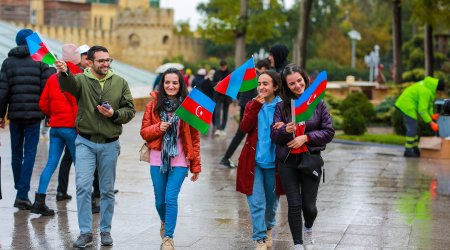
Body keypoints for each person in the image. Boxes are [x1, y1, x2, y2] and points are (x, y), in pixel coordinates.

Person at [55, 45, 136, 248]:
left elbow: (130, 110)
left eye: (108, 60)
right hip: (85, 142)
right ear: (90, 62)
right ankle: (85, 232)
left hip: (110, 143)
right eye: (101, 61)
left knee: (107, 190)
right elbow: (68, 86)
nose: (106, 64)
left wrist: (114, 115)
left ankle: (105, 230)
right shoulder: (81, 79)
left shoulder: (120, 82)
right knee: (83, 187)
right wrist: (64, 72)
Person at [270, 64, 334, 250]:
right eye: (292, 83)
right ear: (286, 86)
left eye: (299, 81)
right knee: (294, 204)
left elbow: (329, 131)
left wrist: (306, 137)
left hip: (310, 160)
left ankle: (308, 228)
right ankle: (298, 243)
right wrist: (284, 129)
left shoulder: (318, 103)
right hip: (287, 161)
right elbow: (274, 136)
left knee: (309, 207)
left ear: (305, 79)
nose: (297, 85)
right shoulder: (282, 107)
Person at [140, 68, 201, 250]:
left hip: (180, 159)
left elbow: (195, 138)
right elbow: (144, 132)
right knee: (160, 200)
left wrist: (196, 165)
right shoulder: (152, 105)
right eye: (167, 82)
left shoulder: (189, 107)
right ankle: (165, 222)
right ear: (162, 83)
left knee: (170, 198)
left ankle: (168, 238)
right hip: (158, 158)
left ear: (181, 84)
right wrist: (158, 127)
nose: (171, 86)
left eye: (175, 82)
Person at [0, 28, 55, 210]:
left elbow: (3, 92)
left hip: (15, 115)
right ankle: (22, 193)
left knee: (16, 153)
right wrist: (48, 115)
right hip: (34, 115)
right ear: (33, 42)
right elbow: (48, 91)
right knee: (30, 153)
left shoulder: (7, 63)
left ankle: (20, 189)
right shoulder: (40, 62)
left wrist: (1, 115)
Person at [31, 44, 82, 216]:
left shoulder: (53, 78)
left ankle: (39, 200)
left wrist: (54, 115)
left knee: (51, 163)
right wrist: (78, 125)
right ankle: (87, 203)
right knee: (80, 165)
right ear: (76, 59)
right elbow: (76, 103)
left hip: (56, 128)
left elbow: (43, 104)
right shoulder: (77, 75)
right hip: (71, 128)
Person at [237, 70, 283, 250]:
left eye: (266, 84)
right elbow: (244, 127)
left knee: (272, 203)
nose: (261, 87)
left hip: (276, 163)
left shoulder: (284, 106)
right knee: (256, 202)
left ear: (276, 87)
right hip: (253, 162)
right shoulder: (252, 104)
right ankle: (260, 239)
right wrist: (255, 107)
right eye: (259, 83)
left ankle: (269, 227)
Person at [220, 59, 271, 168]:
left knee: (242, 133)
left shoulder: (249, 74)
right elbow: (256, 93)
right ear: (263, 68)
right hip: (250, 107)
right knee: (243, 133)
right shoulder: (256, 77)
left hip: (245, 105)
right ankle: (227, 158)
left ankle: (228, 157)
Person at [395, 77, 445, 157]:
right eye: (440, 92)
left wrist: (432, 115)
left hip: (407, 103)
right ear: (437, 89)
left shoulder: (430, 88)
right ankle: (408, 151)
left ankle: (415, 149)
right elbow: (422, 110)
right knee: (412, 128)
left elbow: (429, 105)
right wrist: (431, 123)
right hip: (407, 105)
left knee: (414, 128)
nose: (440, 94)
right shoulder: (426, 91)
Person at [213, 60, 232, 136]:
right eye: (221, 67)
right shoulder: (217, 73)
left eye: (224, 67)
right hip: (218, 95)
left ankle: (223, 128)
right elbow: (212, 83)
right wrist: (217, 83)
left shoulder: (230, 73)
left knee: (225, 113)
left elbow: (233, 84)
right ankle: (217, 128)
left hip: (227, 95)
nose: (223, 68)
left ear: (226, 65)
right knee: (217, 112)